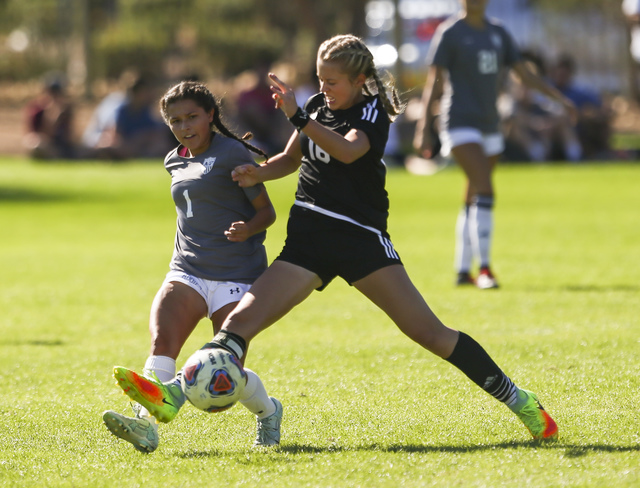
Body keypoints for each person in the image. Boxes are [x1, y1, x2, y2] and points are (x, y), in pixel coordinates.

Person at [117, 34, 559, 444]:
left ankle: (520, 400)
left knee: (429, 333)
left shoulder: (369, 111)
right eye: (320, 78)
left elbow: (348, 150)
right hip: (308, 242)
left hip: (360, 241)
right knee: (236, 329)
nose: (323, 87)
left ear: (360, 80)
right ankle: (172, 395)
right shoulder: (315, 106)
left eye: (333, 81)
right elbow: (289, 160)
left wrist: (297, 115)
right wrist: (256, 171)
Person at [102, 80, 281, 453]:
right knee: (161, 343)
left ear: (211, 115)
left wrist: (248, 227)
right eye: (175, 120)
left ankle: (268, 411)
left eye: (192, 117)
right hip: (186, 270)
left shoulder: (233, 154)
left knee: (223, 374)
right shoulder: (174, 159)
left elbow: (267, 212)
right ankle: (143, 423)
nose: (184, 126)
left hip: (237, 276)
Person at [413, 0, 577, 289]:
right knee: (485, 187)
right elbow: (433, 83)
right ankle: (485, 269)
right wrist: (424, 127)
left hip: (490, 124)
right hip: (460, 122)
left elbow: (525, 75)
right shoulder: (450, 33)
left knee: (473, 193)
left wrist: (561, 100)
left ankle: (463, 270)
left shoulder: (499, 32)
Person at [23, 73, 76, 160]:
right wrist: (51, 117)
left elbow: (70, 137)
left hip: (61, 146)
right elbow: (33, 135)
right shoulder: (36, 110)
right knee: (37, 145)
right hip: (43, 144)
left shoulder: (66, 110)